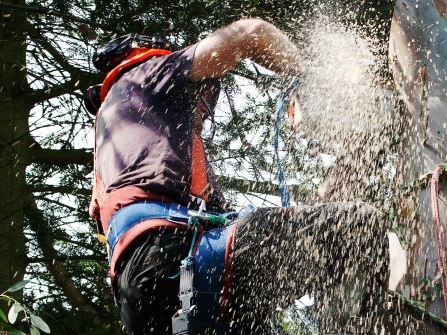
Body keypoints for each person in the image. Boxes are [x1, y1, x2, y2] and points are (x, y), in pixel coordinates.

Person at [83, 19, 390, 335]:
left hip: (150, 298)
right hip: (175, 259)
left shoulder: (118, 153)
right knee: (360, 226)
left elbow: (300, 235)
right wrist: (309, 78)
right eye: (203, 98)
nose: (202, 112)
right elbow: (251, 33)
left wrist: (350, 166)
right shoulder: (149, 75)